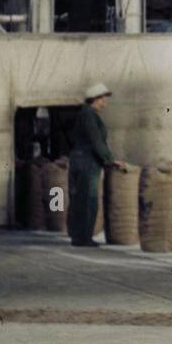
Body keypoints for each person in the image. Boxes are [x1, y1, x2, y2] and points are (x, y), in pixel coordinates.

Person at [67, 83, 130, 248]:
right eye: (103, 99)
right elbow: (96, 141)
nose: (105, 103)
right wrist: (111, 160)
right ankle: (83, 238)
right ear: (95, 99)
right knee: (88, 200)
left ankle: (77, 236)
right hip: (87, 162)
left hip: (80, 160)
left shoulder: (86, 114)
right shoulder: (89, 115)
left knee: (79, 199)